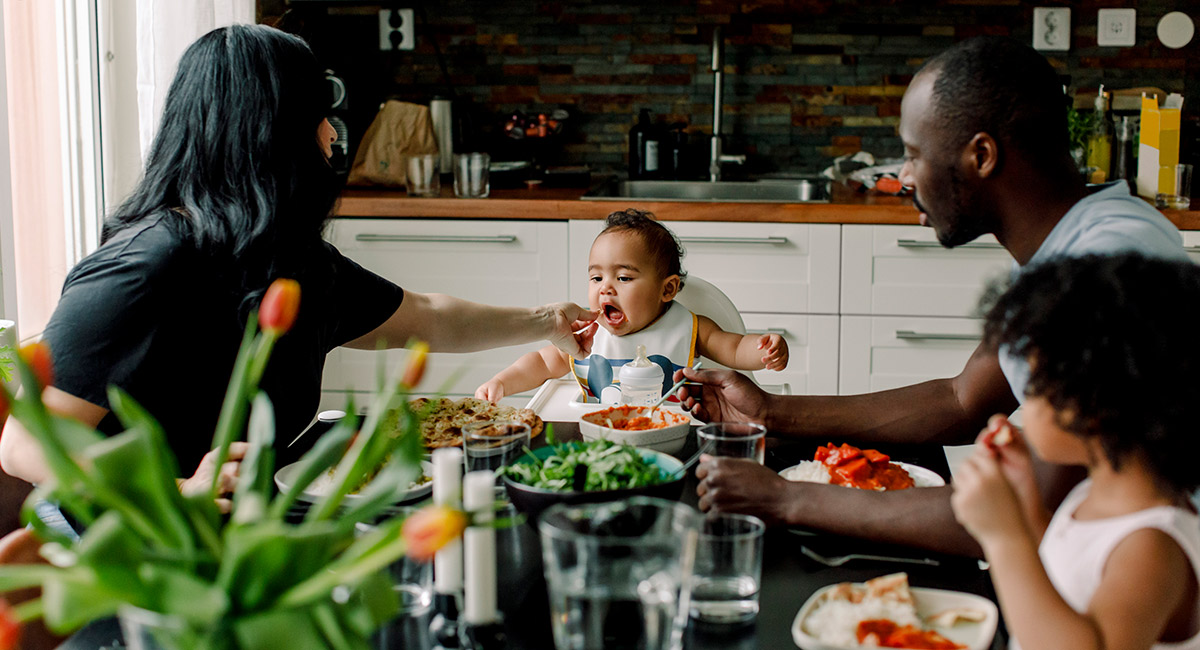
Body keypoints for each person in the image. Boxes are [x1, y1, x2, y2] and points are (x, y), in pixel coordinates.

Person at [0, 24, 597, 501]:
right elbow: (26, 446)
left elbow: (427, 318)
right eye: (318, 115)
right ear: (272, 131)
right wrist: (179, 492)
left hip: (251, 529)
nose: (333, 136)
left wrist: (547, 321)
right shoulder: (146, 265)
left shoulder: (290, 259)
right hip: (137, 553)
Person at [678, 35, 1191, 556]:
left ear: (982, 156)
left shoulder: (1106, 267)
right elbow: (962, 399)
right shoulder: (1072, 243)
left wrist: (788, 499)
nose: (903, 178)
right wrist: (769, 412)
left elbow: (1030, 509)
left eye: (913, 154)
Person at [952, 254, 1200, 650]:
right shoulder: (1097, 494)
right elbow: (1062, 578)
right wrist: (1024, 498)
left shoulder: (1150, 547)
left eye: (1033, 387)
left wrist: (1003, 537)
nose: (1022, 403)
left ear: (1092, 408)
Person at [475, 209, 788, 402]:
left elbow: (734, 349)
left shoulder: (690, 327)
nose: (605, 288)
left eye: (623, 278)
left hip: (673, 438)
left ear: (667, 289)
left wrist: (764, 350)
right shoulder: (587, 334)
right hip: (600, 442)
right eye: (596, 278)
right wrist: (501, 382)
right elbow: (541, 364)